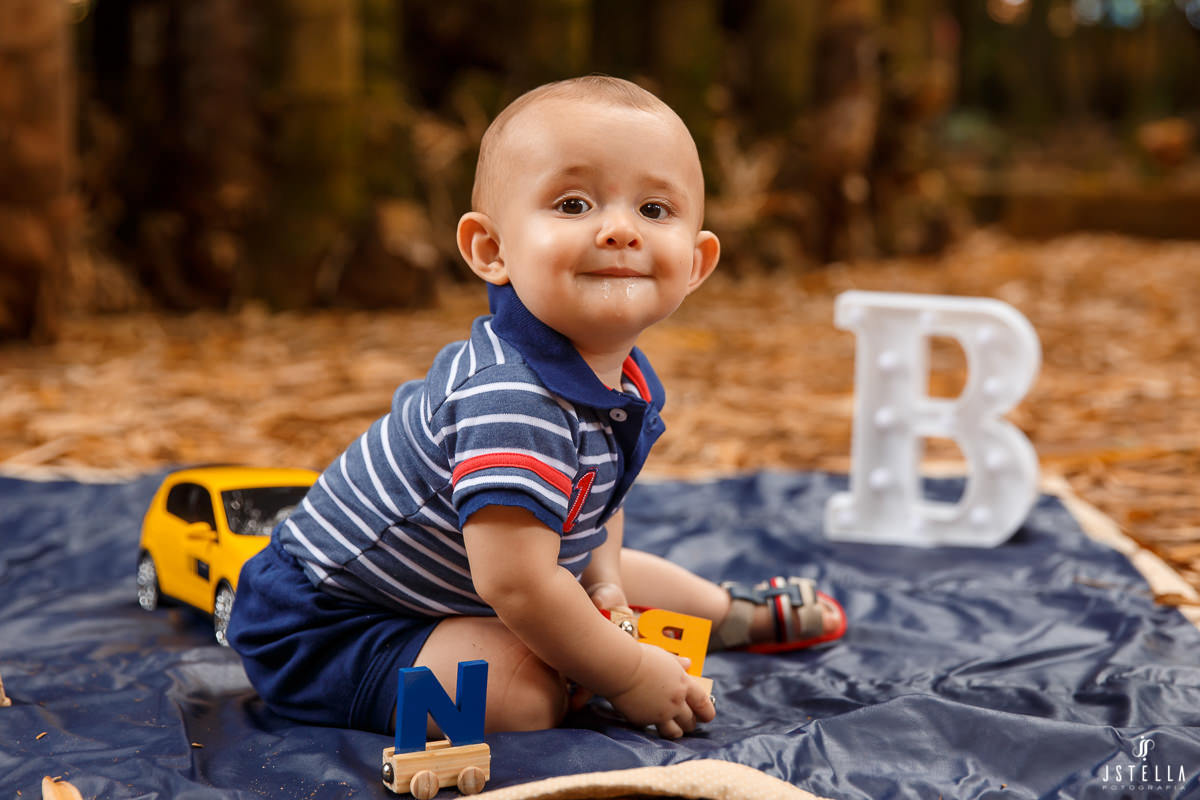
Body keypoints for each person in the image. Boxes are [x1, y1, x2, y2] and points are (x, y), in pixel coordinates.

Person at [227, 75, 845, 741]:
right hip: (339, 623)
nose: (618, 230)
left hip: (486, 574)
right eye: (574, 204)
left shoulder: (620, 379)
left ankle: (727, 614)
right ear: (491, 251)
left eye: (655, 211)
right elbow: (517, 586)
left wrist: (603, 584)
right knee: (525, 695)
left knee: (608, 579)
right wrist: (631, 675)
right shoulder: (509, 397)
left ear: (696, 262)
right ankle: (586, 664)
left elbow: (595, 502)